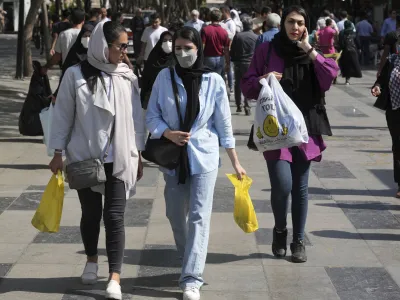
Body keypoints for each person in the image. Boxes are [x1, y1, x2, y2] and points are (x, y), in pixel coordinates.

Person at [146, 26, 246, 300]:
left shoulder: (214, 80)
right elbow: (151, 116)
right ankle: (189, 256)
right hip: (173, 158)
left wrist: (235, 162)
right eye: (177, 48)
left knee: (200, 217)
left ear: (198, 48)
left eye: (188, 48)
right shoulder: (163, 78)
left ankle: (192, 277)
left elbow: (224, 124)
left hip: (204, 155)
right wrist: (167, 133)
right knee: (175, 215)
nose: (182, 53)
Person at [48, 21, 145, 300]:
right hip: (85, 156)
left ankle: (115, 276)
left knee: (114, 216)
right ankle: (92, 260)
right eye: (121, 46)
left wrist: (138, 153)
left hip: (120, 156)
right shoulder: (75, 75)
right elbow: (63, 115)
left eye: (127, 46)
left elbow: (136, 118)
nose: (126, 51)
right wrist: (57, 152)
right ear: (104, 46)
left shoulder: (127, 75)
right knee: (91, 215)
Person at [241, 5, 338, 263]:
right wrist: (264, 78)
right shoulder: (267, 49)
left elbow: (331, 75)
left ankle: (298, 241)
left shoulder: (310, 51)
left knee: (301, 187)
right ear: (282, 24)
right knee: (282, 185)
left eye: (300, 23)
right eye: (291, 22)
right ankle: (280, 229)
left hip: (306, 126)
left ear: (306, 26)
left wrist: (308, 48)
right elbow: (247, 86)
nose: (295, 27)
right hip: (277, 128)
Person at [371, 51, 400, 198]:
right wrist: (377, 87)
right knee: (398, 145)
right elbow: (381, 80)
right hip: (394, 110)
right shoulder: (392, 60)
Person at [52, 24, 95, 98]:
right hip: (73, 94)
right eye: (85, 36)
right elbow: (65, 74)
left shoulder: (97, 55)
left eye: (90, 36)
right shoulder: (74, 54)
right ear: (80, 37)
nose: (87, 39)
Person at [141, 31, 175, 109]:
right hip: (153, 96)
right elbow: (146, 78)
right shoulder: (153, 57)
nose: (167, 43)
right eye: (165, 40)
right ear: (160, 41)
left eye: (170, 40)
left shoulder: (177, 58)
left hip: (172, 98)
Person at [230, 17, 257, 115]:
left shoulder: (238, 36)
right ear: (251, 25)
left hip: (239, 63)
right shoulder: (255, 37)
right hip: (250, 63)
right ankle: (247, 106)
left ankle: (239, 105)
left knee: (238, 84)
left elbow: (232, 51)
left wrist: (233, 60)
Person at [201, 9, 230, 76]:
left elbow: (202, 46)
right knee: (219, 80)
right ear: (220, 18)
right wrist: (228, 63)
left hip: (208, 58)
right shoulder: (224, 32)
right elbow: (226, 49)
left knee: (207, 81)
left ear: (210, 17)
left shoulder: (205, 30)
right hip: (220, 58)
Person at [338, 20, 362, 85]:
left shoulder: (341, 32)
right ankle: (348, 79)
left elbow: (340, 42)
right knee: (352, 65)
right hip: (353, 50)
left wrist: (340, 49)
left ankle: (346, 79)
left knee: (346, 65)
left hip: (345, 50)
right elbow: (357, 41)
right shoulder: (354, 32)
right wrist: (359, 48)